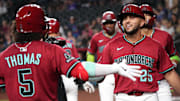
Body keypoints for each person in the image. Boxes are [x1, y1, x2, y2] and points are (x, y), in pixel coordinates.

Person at [0, 4, 142, 101]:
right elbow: (82, 69)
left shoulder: (3, 56)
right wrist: (114, 68)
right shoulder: (51, 50)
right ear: (41, 27)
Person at [100, 4, 180, 101]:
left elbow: (170, 74)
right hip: (122, 97)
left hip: (149, 96)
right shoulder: (111, 46)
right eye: (124, 18)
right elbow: (100, 70)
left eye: (132, 17)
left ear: (142, 22)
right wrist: (84, 76)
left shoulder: (156, 46)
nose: (127, 21)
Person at [45, 17, 95, 101]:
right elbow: (77, 63)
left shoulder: (45, 44)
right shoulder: (68, 43)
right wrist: (84, 81)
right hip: (71, 79)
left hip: (56, 80)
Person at [140, 4, 180, 101]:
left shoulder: (165, 36)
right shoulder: (131, 37)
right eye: (142, 15)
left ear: (153, 17)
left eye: (147, 14)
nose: (145, 17)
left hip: (162, 83)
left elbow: (175, 55)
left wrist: (173, 63)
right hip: (140, 85)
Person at [87, 10, 123, 101]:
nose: (109, 25)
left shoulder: (122, 37)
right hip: (104, 75)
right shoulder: (96, 38)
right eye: (106, 23)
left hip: (120, 75)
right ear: (102, 24)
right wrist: (90, 71)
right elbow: (91, 54)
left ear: (115, 23)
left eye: (111, 23)